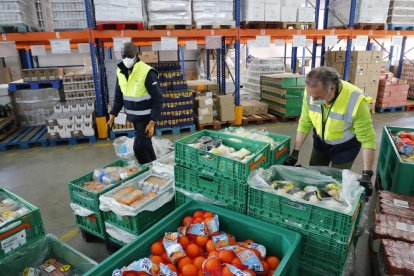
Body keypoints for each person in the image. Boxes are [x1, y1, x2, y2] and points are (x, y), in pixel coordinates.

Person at [284, 66, 376, 198]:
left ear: (332, 88)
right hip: (321, 142)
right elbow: (305, 122)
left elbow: (368, 139)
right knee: (313, 175)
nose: (314, 100)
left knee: (335, 181)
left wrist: (367, 174)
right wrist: (295, 152)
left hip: (345, 147)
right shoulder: (311, 92)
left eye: (318, 97)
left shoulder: (355, 100)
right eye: (312, 96)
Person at [108, 42, 163, 164]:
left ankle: (147, 171)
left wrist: (153, 121)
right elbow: (119, 95)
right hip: (135, 118)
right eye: (124, 56)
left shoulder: (147, 72)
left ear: (136, 55)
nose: (126, 59)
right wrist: (113, 114)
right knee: (146, 145)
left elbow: (158, 99)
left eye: (129, 56)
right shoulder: (120, 71)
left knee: (138, 147)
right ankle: (155, 167)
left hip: (147, 119)